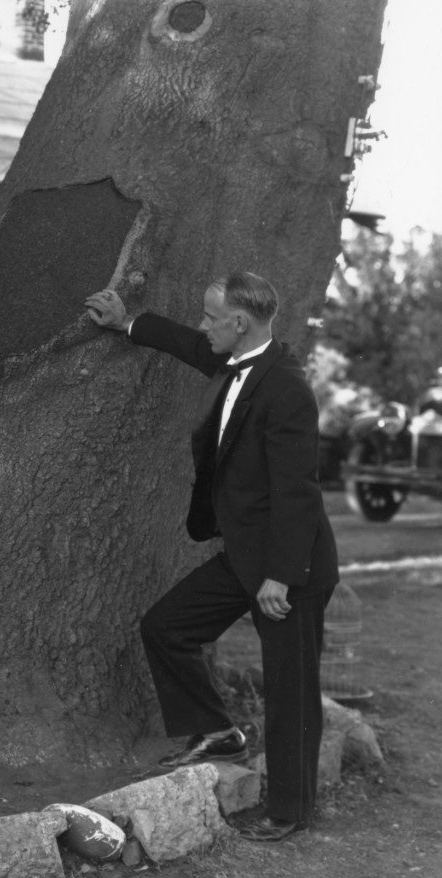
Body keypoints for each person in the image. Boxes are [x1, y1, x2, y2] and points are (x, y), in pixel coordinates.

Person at [85, 273, 338, 842]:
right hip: (245, 554)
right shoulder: (235, 359)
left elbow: (298, 493)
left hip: (289, 566)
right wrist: (127, 322)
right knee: (166, 627)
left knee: (290, 690)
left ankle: (290, 811)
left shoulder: (287, 389)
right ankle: (218, 732)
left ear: (239, 322)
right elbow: (190, 345)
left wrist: (280, 577)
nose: (202, 326)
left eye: (210, 317)